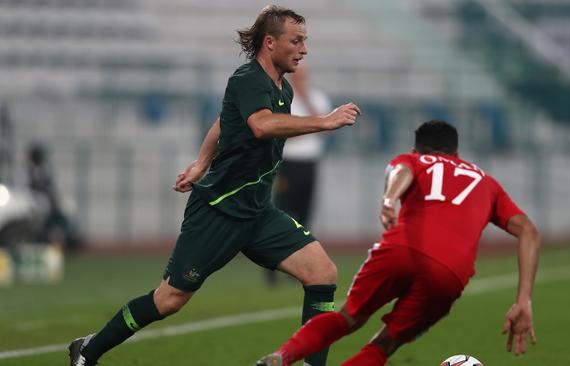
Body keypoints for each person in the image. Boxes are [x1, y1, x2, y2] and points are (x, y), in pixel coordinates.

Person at [68, 6, 361, 366]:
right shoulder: (247, 79)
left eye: (305, 41)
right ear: (270, 43)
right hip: (219, 210)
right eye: (296, 41)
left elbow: (224, 121)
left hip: (256, 211)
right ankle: (88, 349)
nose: (304, 49)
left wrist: (200, 163)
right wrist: (325, 122)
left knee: (323, 272)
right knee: (169, 300)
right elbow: (260, 126)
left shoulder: (280, 88)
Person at [257, 120, 540, 366]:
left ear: (418, 150)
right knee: (384, 345)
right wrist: (523, 299)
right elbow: (528, 230)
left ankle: (283, 356)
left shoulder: (413, 160)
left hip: (400, 249)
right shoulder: (487, 183)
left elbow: (401, 172)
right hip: (451, 273)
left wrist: (388, 199)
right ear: (457, 154)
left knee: (347, 318)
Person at [266, 63, 332, 286]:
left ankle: (298, 266)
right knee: (283, 212)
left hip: (309, 164)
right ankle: (273, 266)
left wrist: (304, 120)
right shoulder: (282, 97)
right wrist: (306, 129)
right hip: (287, 164)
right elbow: (278, 133)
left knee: (305, 215)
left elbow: (323, 125)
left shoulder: (317, 98)